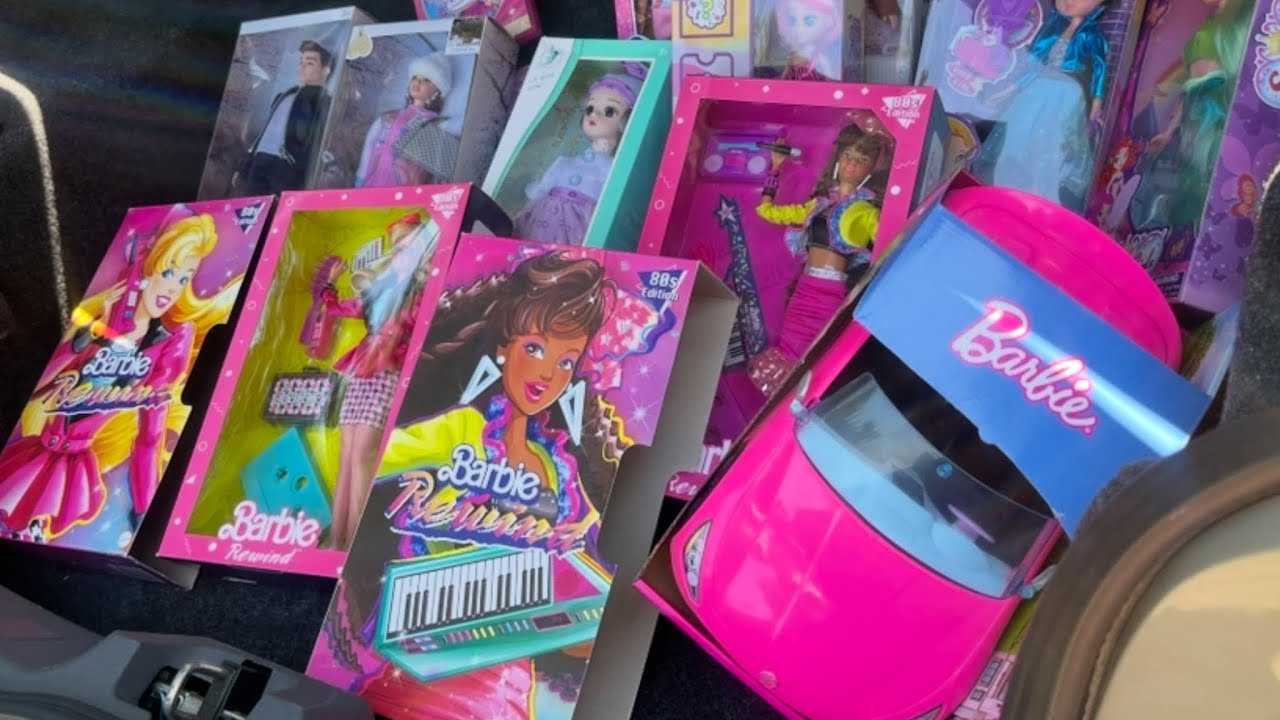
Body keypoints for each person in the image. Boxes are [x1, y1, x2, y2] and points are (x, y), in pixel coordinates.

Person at [326, 251, 667, 718]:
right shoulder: (461, 429)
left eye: (566, 362)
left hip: (510, 689)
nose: (547, 374)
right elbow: (367, 457)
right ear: (504, 346)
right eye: (536, 349)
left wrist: (582, 623)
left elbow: (588, 606)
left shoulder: (557, 469)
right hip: (424, 662)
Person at [0, 213, 240, 537]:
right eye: (168, 272)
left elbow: (150, 437)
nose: (172, 289)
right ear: (145, 268)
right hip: (33, 454)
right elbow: (45, 385)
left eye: (184, 279)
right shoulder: (101, 319)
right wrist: (92, 334)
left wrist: (143, 511)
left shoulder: (167, 344)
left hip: (71, 472)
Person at [305, 214, 437, 550]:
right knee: (348, 453)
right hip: (362, 368)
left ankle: (357, 543)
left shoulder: (422, 294)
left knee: (363, 452)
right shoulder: (380, 290)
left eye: (408, 248)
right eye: (398, 248)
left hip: (390, 369)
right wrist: (329, 284)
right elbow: (338, 308)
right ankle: (337, 541)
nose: (401, 255)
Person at [748, 117, 894, 395]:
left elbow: (889, 243)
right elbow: (765, 211)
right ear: (838, 157)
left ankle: (800, 400)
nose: (851, 164)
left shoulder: (866, 212)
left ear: (873, 167)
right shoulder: (818, 204)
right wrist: (775, 169)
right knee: (788, 351)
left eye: (862, 159)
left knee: (810, 357)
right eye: (848, 155)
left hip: (829, 293)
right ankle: (784, 402)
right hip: (803, 290)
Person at [972, 0, 1110, 211]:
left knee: (1052, 144)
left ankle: (1043, 193)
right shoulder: (1051, 27)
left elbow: (1100, 71)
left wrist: (1096, 106)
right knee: (1018, 134)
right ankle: (1005, 184)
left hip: (1067, 95)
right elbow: (1033, 63)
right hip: (1037, 90)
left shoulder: (1093, 36)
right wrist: (1010, 90)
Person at [1145, 0, 1254, 234]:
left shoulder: (1237, 27)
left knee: (1206, 176)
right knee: (1189, 176)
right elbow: (1189, 92)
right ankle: (1186, 235)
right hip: (1195, 115)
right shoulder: (1209, 24)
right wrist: (1168, 132)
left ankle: (1202, 232)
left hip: (1215, 112)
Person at [513, 63, 647, 247]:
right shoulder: (564, 162)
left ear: (628, 120)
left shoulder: (615, 169)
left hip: (581, 224)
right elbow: (542, 188)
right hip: (542, 217)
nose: (594, 115)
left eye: (609, 111)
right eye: (590, 108)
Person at [234, 39, 333, 196]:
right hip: (260, 162)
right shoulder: (285, 95)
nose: (302, 67)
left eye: (310, 63)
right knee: (252, 206)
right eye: (301, 62)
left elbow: (317, 141)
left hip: (285, 167)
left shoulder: (324, 102)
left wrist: (298, 168)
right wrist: (244, 166)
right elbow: (264, 134)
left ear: (326, 70)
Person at [355, 52, 455, 188]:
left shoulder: (435, 124)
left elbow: (440, 167)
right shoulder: (388, 117)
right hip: (372, 185)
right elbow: (369, 146)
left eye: (426, 80)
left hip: (405, 190)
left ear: (438, 90)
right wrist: (360, 179)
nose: (417, 82)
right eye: (415, 77)